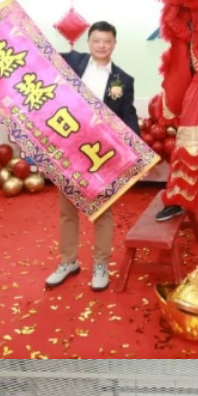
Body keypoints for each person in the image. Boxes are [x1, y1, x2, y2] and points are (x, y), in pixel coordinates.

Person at [44, 22, 140, 293]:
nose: (101, 46)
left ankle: (101, 264)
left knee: (102, 210)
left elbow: (128, 116)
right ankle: (68, 261)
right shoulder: (71, 62)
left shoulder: (123, 80)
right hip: (68, 148)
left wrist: (137, 149)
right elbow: (38, 62)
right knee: (67, 210)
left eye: (107, 41)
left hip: (100, 154)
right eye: (97, 40)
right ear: (88, 42)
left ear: (114, 44)